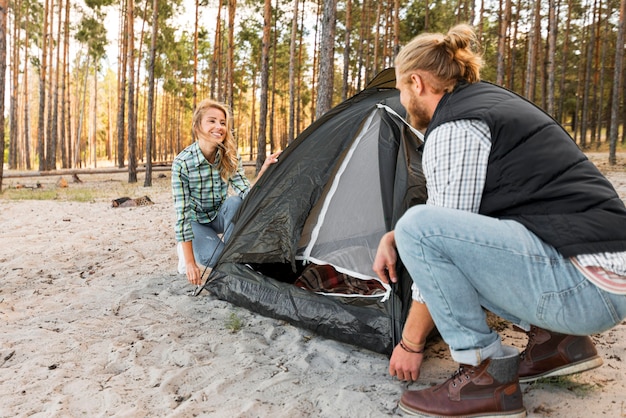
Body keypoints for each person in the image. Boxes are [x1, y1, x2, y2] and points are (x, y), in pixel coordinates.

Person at [373, 24, 626, 417]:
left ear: (417, 82)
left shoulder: (455, 127)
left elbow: (435, 233)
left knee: (417, 228)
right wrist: (396, 236)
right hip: (601, 276)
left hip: (585, 288)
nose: (404, 101)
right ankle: (556, 344)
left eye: (402, 91)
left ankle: (484, 375)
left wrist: (411, 342)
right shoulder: (490, 104)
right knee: (413, 229)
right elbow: (466, 227)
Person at [172, 99, 280, 286]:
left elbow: (246, 192)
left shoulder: (229, 155)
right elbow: (182, 217)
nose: (218, 127)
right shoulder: (182, 163)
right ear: (197, 126)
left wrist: (263, 172)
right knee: (215, 260)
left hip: (220, 215)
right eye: (212, 121)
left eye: (222, 122)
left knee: (236, 202)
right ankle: (190, 251)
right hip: (197, 222)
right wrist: (190, 263)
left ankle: (235, 255)